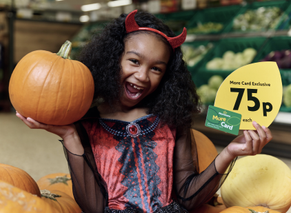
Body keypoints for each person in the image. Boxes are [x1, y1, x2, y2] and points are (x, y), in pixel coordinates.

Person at [16, 9, 272, 213]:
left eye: (156, 69)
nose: (142, 76)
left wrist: (229, 152)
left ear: (167, 76)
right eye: (134, 61)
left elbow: (188, 199)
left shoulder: (172, 120)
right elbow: (94, 207)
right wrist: (71, 136)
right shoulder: (87, 123)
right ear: (113, 57)